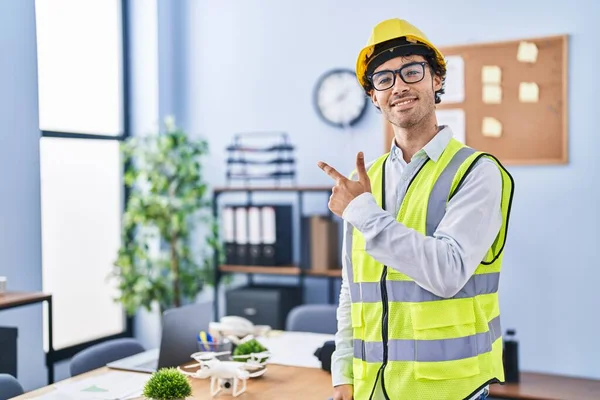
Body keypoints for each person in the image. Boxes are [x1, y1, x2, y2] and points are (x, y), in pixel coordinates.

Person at [317, 18, 515, 400]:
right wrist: (343, 373)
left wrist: (361, 211)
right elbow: (352, 289)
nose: (399, 86)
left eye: (411, 70)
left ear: (436, 79)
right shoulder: (367, 179)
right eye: (384, 79)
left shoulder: (477, 172)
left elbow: (448, 272)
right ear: (374, 96)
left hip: (450, 390)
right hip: (374, 387)